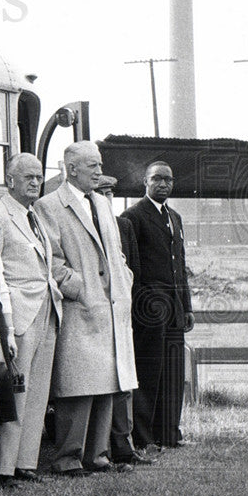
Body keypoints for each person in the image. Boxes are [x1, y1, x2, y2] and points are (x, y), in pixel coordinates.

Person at [33, 141, 138, 476]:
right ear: (71, 168)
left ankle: (99, 454)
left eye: (99, 164)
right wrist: (80, 288)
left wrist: (124, 278)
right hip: (81, 306)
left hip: (110, 306)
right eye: (92, 165)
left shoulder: (103, 205)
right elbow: (52, 262)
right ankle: (68, 457)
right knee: (77, 387)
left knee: (108, 383)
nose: (99, 171)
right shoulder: (49, 206)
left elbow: (116, 252)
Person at [0, 153, 62, 486]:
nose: (35, 182)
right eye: (28, 177)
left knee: (37, 391)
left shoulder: (34, 214)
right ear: (10, 179)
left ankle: (26, 462)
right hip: (17, 312)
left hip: (45, 308)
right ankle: (3, 468)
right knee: (16, 390)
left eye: (39, 176)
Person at [121, 161, 195, 451]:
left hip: (175, 307)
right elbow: (131, 267)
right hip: (149, 308)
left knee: (173, 373)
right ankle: (144, 437)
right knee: (149, 372)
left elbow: (181, 263)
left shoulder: (175, 217)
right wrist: (141, 304)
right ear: (145, 182)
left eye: (168, 180)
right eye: (157, 179)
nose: (163, 184)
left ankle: (169, 434)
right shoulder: (132, 216)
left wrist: (186, 306)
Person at [96, 176, 152, 466]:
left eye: (110, 193)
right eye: (100, 192)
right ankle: (101, 447)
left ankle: (125, 445)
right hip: (96, 316)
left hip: (122, 312)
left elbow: (134, 269)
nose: (106, 198)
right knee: (104, 382)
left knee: (125, 381)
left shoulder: (123, 225)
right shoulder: (89, 224)